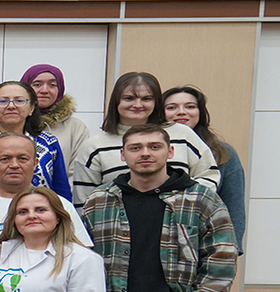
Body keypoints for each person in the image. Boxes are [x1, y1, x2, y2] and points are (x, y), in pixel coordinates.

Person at [81, 124, 237, 292]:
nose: (145, 153)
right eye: (135, 148)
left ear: (170, 152)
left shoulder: (200, 199)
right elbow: (82, 257)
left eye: (154, 147)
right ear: (123, 155)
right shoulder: (100, 200)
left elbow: (222, 257)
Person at [78, 72, 219, 200]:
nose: (137, 105)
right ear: (116, 101)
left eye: (146, 99)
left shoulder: (184, 134)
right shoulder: (94, 146)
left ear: (156, 102)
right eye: (129, 98)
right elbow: (84, 200)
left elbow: (209, 175)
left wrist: (183, 204)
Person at [0, 187, 105, 292]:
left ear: (58, 217)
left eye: (40, 210)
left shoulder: (83, 259)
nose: (31, 216)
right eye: (22, 212)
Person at [0, 132, 92, 245]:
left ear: (35, 164)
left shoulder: (59, 205)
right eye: (5, 159)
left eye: (22, 159)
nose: (14, 165)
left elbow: (82, 254)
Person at [165, 85, 245, 252]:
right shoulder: (149, 151)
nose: (181, 112)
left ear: (200, 112)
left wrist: (231, 248)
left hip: (208, 241)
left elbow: (234, 205)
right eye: (171, 107)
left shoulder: (222, 152)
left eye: (190, 106)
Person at [0, 80, 71, 200]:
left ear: (31, 108)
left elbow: (61, 189)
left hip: (38, 209)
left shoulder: (49, 142)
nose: (11, 106)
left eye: (19, 101)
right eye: (3, 101)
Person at [20, 64, 95, 191]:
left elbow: (77, 173)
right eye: (37, 84)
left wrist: (61, 201)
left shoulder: (75, 127)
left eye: (52, 85)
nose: (45, 90)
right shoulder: (13, 122)